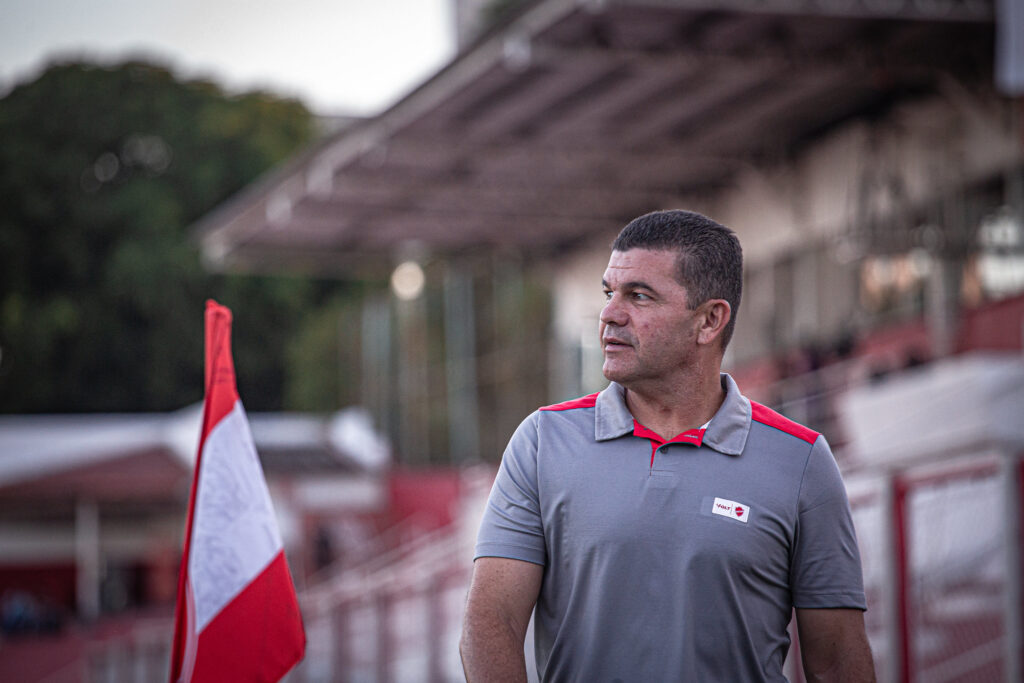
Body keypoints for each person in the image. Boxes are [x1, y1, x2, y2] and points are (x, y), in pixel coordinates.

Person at [460, 210, 874, 682]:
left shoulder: (800, 461)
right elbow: (491, 621)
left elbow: (839, 661)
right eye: (608, 293)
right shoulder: (542, 442)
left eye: (639, 296)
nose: (610, 314)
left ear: (709, 320)